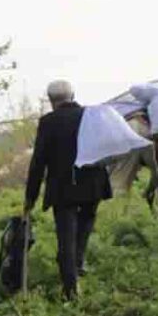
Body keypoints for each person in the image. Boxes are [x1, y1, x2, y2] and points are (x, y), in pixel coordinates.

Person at [24, 80, 112, 300]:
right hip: (92, 183)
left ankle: (71, 288)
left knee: (66, 237)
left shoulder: (48, 122)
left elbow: (38, 162)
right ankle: (77, 262)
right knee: (86, 222)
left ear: (52, 101)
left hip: (63, 187)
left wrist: (30, 197)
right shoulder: (90, 116)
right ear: (73, 95)